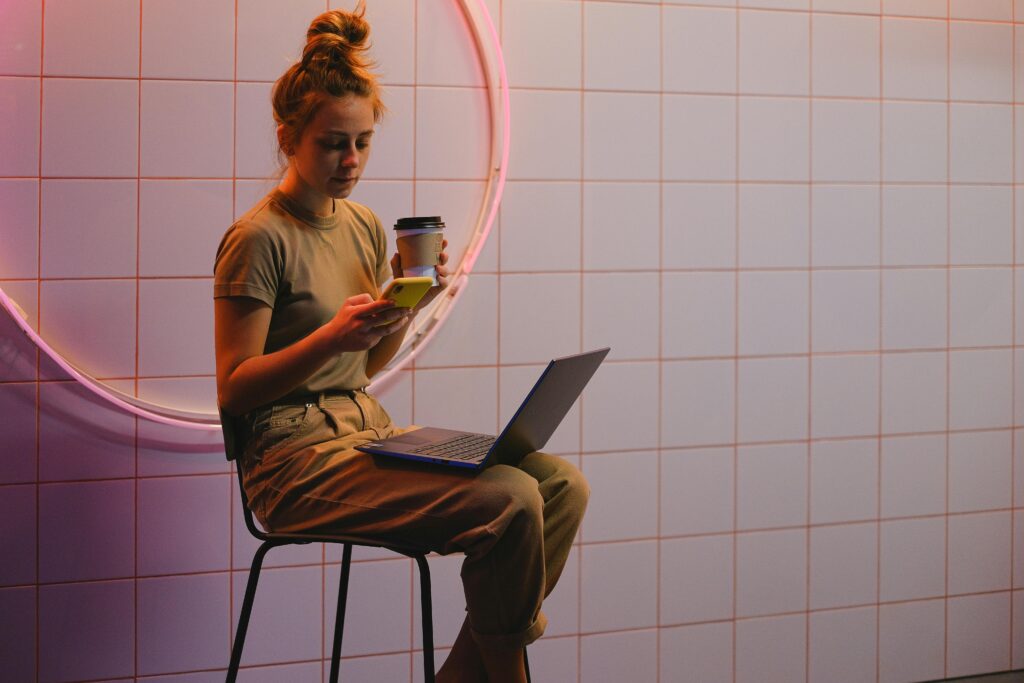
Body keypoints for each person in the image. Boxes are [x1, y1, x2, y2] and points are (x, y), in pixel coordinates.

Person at [213, 6, 589, 682]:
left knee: (560, 484)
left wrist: (408, 307)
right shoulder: (258, 238)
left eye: (362, 142)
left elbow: (362, 366)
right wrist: (332, 334)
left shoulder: (362, 225)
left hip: (364, 432)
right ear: (288, 138)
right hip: (291, 464)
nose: (350, 160)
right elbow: (236, 387)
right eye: (332, 143)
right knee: (511, 500)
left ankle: (460, 676)